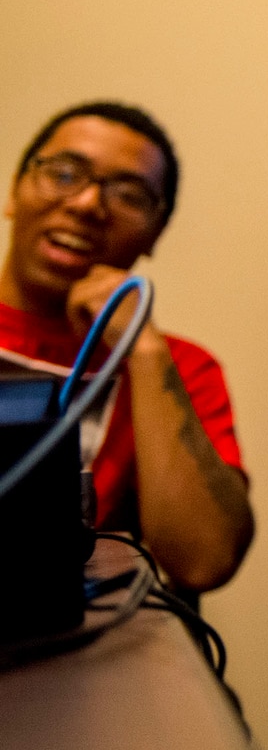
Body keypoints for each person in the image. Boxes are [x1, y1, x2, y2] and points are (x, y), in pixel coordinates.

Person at [0, 103, 252, 592]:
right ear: (14, 190)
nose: (87, 204)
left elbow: (204, 561)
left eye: (129, 196)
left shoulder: (180, 368)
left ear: (156, 233)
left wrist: (144, 348)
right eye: (64, 174)